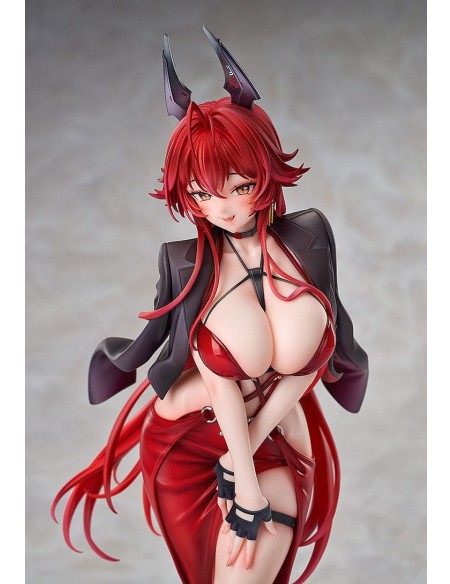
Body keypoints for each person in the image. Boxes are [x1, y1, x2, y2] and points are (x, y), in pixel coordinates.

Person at [52, 27, 369, 584]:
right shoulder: (185, 263)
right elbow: (219, 383)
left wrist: (252, 447)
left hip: (269, 434)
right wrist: (241, 483)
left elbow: (318, 354)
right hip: (189, 438)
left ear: (265, 171)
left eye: (238, 186)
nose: (220, 208)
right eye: (201, 194)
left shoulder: (309, 236)